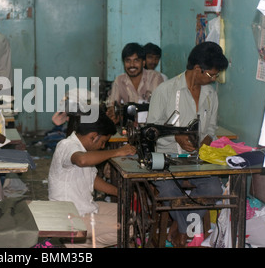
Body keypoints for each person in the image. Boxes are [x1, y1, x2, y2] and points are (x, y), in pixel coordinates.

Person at [146, 41, 229, 247]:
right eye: (212, 74)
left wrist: (206, 142)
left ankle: (176, 228)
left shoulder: (210, 94)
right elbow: (151, 132)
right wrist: (176, 138)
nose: (214, 79)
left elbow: (210, 128)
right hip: (167, 159)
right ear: (197, 69)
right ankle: (184, 231)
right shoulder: (164, 91)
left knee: (214, 188)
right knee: (169, 192)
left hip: (195, 160)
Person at [48, 112, 136, 248]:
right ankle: (77, 243)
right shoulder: (67, 145)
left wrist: (119, 192)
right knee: (128, 228)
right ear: (93, 136)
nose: (102, 147)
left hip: (83, 206)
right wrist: (117, 152)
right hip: (69, 215)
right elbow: (82, 160)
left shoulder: (83, 149)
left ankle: (81, 241)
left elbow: (92, 179)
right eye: (103, 142)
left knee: (128, 214)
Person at [107, 42, 164, 124]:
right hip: (129, 127)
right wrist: (113, 113)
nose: (132, 65)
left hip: (151, 126)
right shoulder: (119, 80)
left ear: (143, 63)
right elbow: (112, 105)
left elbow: (158, 107)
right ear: (124, 63)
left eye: (136, 60)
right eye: (128, 61)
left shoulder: (155, 78)